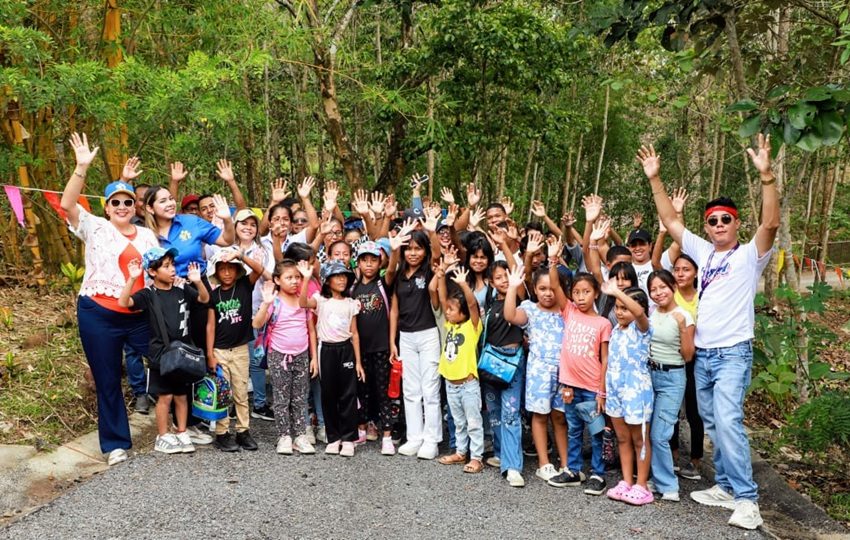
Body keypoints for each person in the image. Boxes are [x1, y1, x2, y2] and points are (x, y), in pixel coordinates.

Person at [639, 133, 779, 530]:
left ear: (736, 223)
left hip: (734, 351)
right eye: (713, 220)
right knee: (715, 423)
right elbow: (670, 221)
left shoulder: (750, 254)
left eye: (726, 219)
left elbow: (771, 222)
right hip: (703, 353)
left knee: (729, 419)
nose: (719, 225)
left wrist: (766, 177)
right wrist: (655, 179)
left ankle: (748, 500)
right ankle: (727, 487)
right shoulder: (702, 252)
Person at [60, 133, 160, 466]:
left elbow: (160, 270)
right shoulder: (95, 228)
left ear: (136, 207)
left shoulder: (147, 235)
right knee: (107, 378)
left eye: (127, 202)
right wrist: (81, 167)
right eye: (115, 202)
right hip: (98, 314)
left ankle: (178, 423)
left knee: (167, 359)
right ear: (106, 207)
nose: (121, 207)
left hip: (138, 314)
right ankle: (116, 443)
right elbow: (67, 205)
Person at [118, 249, 210, 454]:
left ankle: (182, 431)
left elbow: (204, 299)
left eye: (172, 265)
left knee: (181, 395)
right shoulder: (148, 295)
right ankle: (162, 435)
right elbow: (124, 303)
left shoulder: (182, 290)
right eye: (166, 266)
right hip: (161, 354)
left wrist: (197, 281)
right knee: (165, 396)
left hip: (183, 353)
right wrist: (133, 279)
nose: (172, 270)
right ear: (152, 271)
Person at [504, 253, 569, 485]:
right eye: (542, 288)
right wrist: (512, 287)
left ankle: (566, 463)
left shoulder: (565, 311)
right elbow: (510, 315)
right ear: (534, 288)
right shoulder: (530, 309)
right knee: (540, 416)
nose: (548, 293)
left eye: (552, 288)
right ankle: (544, 463)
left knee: (560, 417)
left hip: (564, 374)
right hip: (539, 374)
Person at [548, 266, 611, 495]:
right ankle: (573, 470)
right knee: (574, 429)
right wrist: (553, 261)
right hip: (570, 385)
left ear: (596, 293)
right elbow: (555, 285)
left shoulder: (603, 323)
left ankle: (598, 474)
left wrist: (601, 391)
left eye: (586, 292)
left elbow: (605, 359)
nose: (580, 296)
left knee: (596, 432)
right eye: (576, 292)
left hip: (592, 387)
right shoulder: (570, 312)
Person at [298, 260, 364, 457]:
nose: (342, 279)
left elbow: (355, 333)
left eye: (344, 276)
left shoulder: (352, 303)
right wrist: (307, 278)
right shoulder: (321, 300)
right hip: (326, 349)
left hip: (346, 350)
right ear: (328, 281)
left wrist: (358, 362)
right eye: (337, 276)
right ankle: (333, 437)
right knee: (329, 395)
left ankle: (349, 438)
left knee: (348, 395)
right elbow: (303, 303)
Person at [389, 223, 444, 460]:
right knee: (410, 390)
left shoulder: (430, 269)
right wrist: (393, 341)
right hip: (406, 336)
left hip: (429, 333)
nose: (413, 253)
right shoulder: (400, 274)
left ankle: (431, 440)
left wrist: (432, 232)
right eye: (408, 248)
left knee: (430, 389)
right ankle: (414, 437)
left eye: (418, 248)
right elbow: (394, 310)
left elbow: (438, 254)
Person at [253, 261, 318, 456]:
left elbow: (311, 330)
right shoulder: (274, 301)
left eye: (297, 277)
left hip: (302, 353)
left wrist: (314, 357)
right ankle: (284, 436)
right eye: (289, 278)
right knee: (281, 398)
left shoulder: (302, 300)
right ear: (277, 280)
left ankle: (300, 435)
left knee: (300, 398)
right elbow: (257, 323)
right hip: (278, 354)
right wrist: (265, 303)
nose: (294, 282)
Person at [205, 246, 265, 452]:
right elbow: (210, 326)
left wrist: (240, 255)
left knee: (240, 392)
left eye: (231, 268)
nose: (227, 273)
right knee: (222, 393)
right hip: (220, 351)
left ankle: (243, 431)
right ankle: (222, 433)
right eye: (222, 269)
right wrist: (210, 353)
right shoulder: (214, 296)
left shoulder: (244, 286)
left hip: (240, 349)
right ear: (216, 273)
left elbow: (259, 270)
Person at [600, 281, 654, 506]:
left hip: (637, 391)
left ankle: (642, 484)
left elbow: (640, 313)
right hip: (615, 390)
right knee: (622, 437)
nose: (620, 312)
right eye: (617, 307)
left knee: (639, 438)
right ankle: (626, 480)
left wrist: (617, 292)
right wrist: (602, 391)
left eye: (625, 307)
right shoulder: (615, 330)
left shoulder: (641, 328)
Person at [646, 269, 695, 502]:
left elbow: (687, 356)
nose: (658, 293)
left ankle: (669, 486)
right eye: (653, 289)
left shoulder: (684, 315)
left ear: (673, 286)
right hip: (649, 374)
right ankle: (655, 479)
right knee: (647, 429)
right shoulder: (651, 312)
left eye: (662, 287)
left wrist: (683, 327)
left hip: (672, 378)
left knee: (660, 434)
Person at [479, 260, 526, 487]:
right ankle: (500, 453)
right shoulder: (489, 305)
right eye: (499, 277)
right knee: (495, 412)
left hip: (512, 364)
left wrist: (516, 283)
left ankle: (513, 466)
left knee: (510, 414)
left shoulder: (521, 301)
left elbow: (511, 314)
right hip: (490, 364)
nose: (505, 280)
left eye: (508, 275)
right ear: (491, 281)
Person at [434, 264, 485, 475]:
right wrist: (441, 276)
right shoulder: (451, 325)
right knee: (458, 421)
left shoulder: (471, 326)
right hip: (451, 384)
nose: (447, 311)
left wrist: (464, 285)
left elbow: (472, 304)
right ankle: (461, 452)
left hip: (468, 384)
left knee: (473, 422)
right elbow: (444, 298)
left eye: (452, 309)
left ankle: (476, 458)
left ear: (463, 313)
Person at [351, 241, 400, 454]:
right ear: (358, 263)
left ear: (379, 262)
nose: (369, 265)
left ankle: (387, 435)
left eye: (373, 260)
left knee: (383, 392)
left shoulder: (382, 283)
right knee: (362, 391)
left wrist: (395, 250)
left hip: (381, 348)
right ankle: (361, 429)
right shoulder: (353, 288)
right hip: (360, 349)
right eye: (365, 260)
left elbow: (391, 270)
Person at [669, 253, 704, 481]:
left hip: (697, 359)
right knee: (670, 411)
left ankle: (695, 460)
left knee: (694, 411)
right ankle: (672, 459)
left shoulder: (704, 297)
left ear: (696, 273)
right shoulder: (668, 295)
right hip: (671, 359)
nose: (681, 274)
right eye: (677, 269)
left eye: (686, 269)